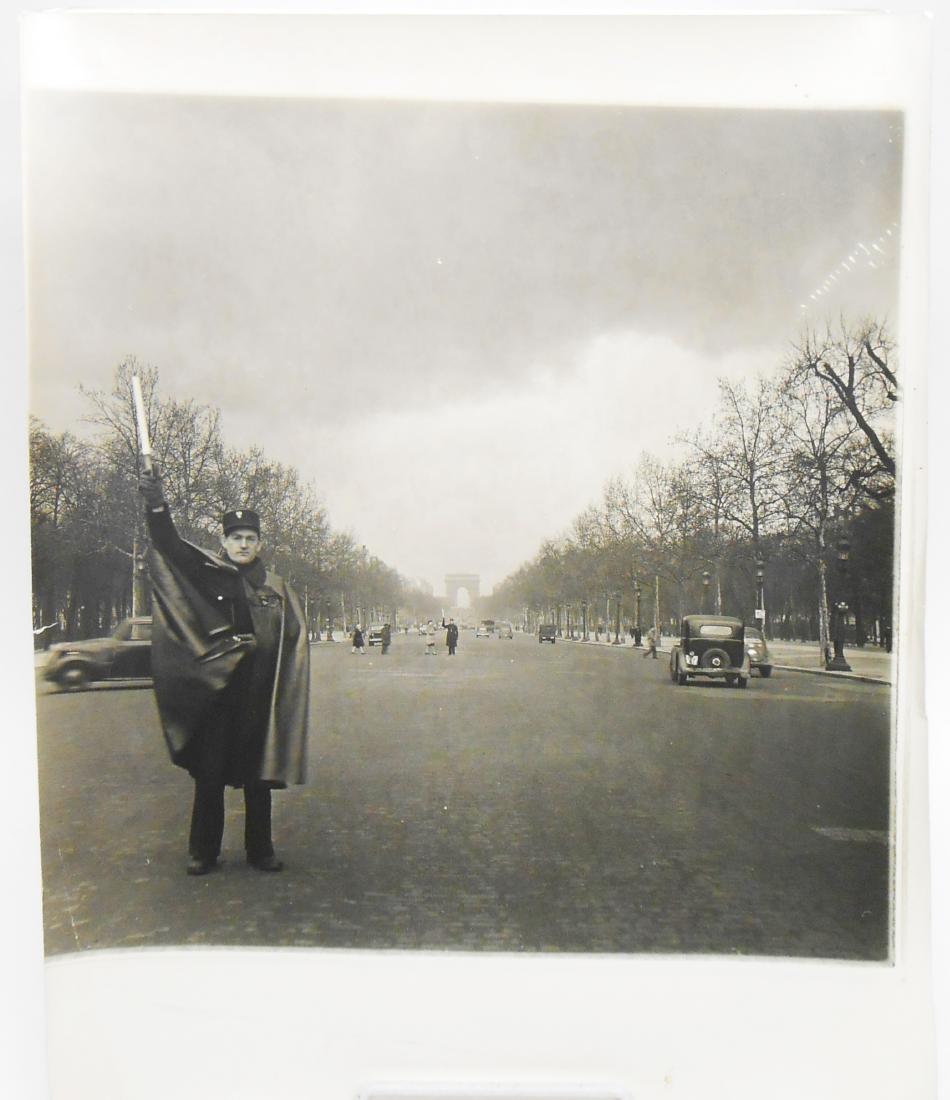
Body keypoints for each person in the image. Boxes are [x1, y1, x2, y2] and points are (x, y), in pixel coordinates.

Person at [138, 463, 309, 876]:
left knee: (259, 775)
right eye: (236, 538)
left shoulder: (276, 587)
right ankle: (203, 852)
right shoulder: (206, 573)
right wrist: (156, 503)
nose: (243, 545)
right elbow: (169, 545)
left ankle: (260, 850)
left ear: (259, 543)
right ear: (224, 541)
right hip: (217, 690)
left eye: (250, 538)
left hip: (259, 690)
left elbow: (293, 638)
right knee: (209, 775)